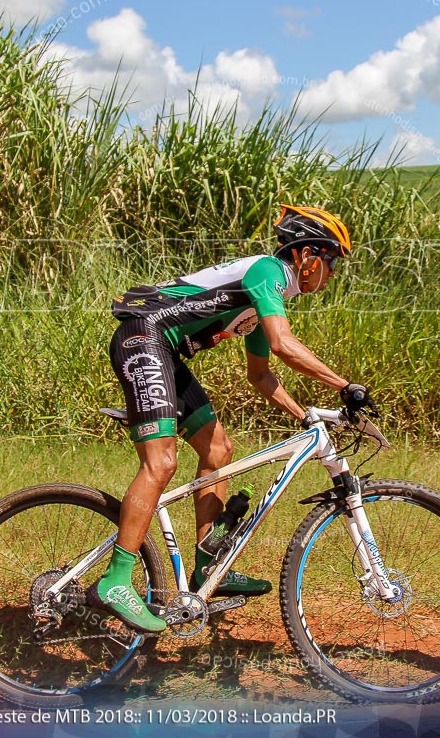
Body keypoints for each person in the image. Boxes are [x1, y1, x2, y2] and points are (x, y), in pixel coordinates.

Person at [88, 205, 375, 632]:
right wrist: (345, 385)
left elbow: (260, 374)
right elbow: (282, 344)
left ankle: (207, 569)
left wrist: (307, 417)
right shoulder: (266, 272)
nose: (331, 274)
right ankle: (115, 580)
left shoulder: (266, 299)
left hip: (163, 351)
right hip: (142, 339)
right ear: (307, 255)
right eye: (331, 262)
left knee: (218, 447)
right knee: (161, 463)